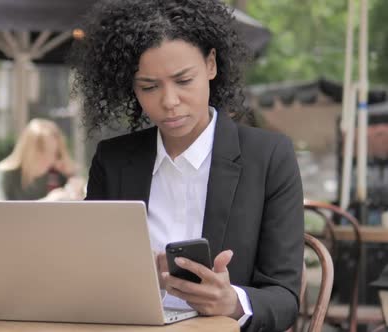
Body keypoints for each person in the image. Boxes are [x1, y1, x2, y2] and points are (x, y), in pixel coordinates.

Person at [68, 1, 304, 331]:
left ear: (210, 64)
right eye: (148, 86)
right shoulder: (113, 161)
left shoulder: (268, 157)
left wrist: (232, 302)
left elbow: (284, 299)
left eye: (183, 80)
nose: (169, 101)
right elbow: (87, 271)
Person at [0, 118, 84, 201]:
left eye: (54, 153)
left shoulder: (58, 174)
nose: (50, 159)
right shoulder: (4, 174)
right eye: (43, 151)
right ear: (27, 151)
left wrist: (77, 194)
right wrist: (48, 202)